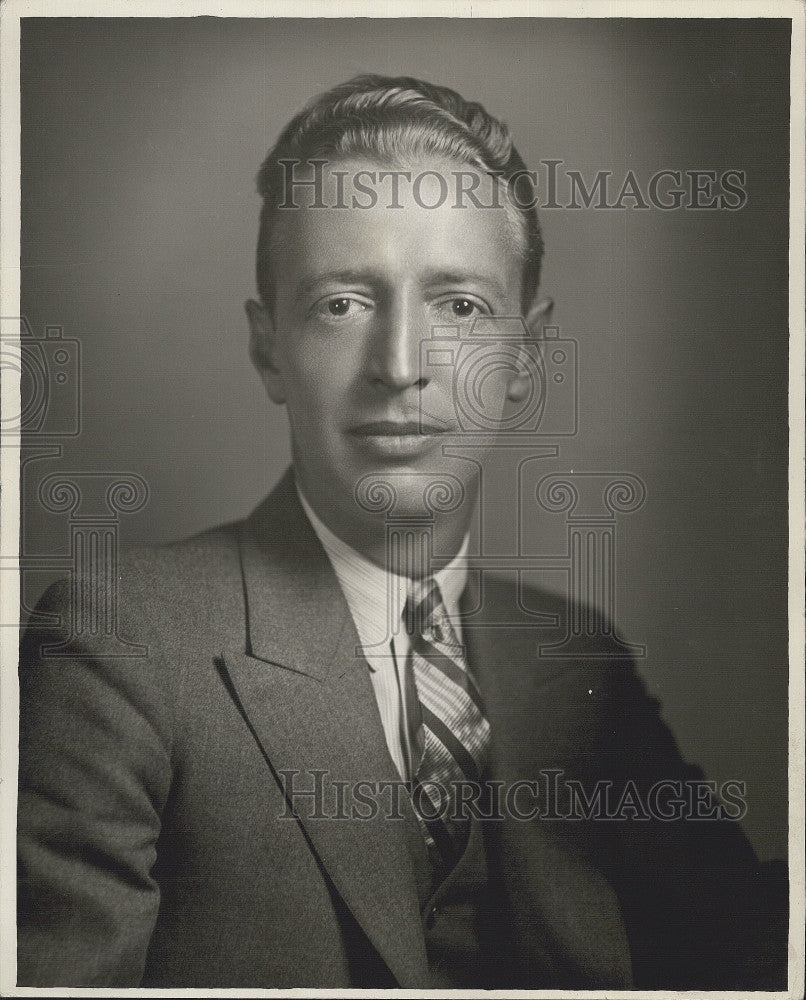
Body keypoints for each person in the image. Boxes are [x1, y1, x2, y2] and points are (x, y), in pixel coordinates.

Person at [17, 74, 786, 989]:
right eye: (343, 303)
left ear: (525, 358)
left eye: (459, 306)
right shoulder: (117, 644)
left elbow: (751, 952)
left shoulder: (579, 661)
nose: (402, 366)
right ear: (269, 349)